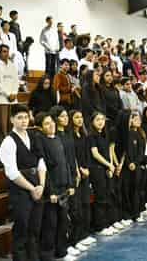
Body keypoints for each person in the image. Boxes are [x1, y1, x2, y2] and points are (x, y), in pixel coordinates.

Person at [0, 104, 46, 261]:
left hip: (37, 185)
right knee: (22, 229)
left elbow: (41, 162)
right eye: (19, 117)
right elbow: (11, 172)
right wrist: (32, 188)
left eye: (26, 117)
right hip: (20, 189)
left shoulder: (33, 136)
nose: (24, 121)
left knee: (35, 228)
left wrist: (41, 185)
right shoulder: (8, 142)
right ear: (12, 119)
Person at [34, 112, 76, 261]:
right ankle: (47, 255)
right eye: (46, 123)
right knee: (50, 224)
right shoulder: (41, 142)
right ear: (40, 127)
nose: (51, 125)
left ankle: (62, 251)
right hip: (52, 191)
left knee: (63, 222)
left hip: (64, 187)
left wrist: (70, 183)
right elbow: (45, 169)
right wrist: (50, 191)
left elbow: (65, 163)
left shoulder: (58, 139)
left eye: (51, 122)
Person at [50, 106, 88, 255]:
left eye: (66, 116)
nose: (65, 119)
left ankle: (76, 239)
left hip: (73, 172)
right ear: (56, 118)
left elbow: (73, 155)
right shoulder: (56, 135)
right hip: (63, 176)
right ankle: (67, 244)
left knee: (76, 208)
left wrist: (77, 170)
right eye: (62, 116)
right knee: (68, 212)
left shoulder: (68, 133)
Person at [69, 110, 97, 247]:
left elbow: (87, 154)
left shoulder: (84, 135)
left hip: (86, 172)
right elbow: (71, 155)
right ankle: (76, 237)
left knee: (86, 204)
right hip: (76, 174)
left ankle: (85, 234)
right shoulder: (70, 136)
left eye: (81, 117)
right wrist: (79, 169)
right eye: (76, 117)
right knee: (77, 207)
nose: (80, 120)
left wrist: (87, 169)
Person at [116, 110, 147, 223]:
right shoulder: (126, 134)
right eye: (133, 119)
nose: (137, 121)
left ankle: (136, 212)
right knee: (127, 190)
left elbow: (141, 152)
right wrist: (128, 163)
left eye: (138, 119)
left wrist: (136, 162)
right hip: (127, 167)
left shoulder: (140, 134)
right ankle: (128, 214)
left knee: (136, 189)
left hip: (137, 166)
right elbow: (125, 151)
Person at [88, 111, 116, 236]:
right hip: (97, 170)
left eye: (102, 119)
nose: (100, 122)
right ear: (92, 122)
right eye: (97, 120)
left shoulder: (104, 135)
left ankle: (107, 222)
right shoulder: (91, 136)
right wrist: (108, 165)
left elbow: (108, 151)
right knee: (99, 198)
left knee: (106, 196)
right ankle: (99, 226)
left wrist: (110, 166)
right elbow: (95, 154)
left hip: (105, 168)